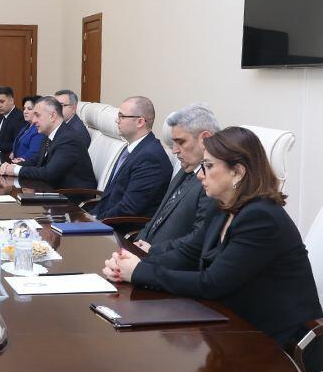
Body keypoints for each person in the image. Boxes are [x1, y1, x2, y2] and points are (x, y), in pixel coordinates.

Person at [103, 127, 322, 347]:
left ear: (237, 172)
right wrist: (132, 264)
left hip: (280, 342)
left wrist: (140, 272)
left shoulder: (261, 218)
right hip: (233, 324)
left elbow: (212, 284)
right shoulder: (222, 207)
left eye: (208, 166)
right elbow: (188, 254)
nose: (200, 175)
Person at [133, 104, 220, 255]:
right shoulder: (185, 169)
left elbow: (197, 239)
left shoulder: (213, 183)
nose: (174, 150)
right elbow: (157, 217)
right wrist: (138, 243)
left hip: (168, 261)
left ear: (205, 139)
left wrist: (152, 251)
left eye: (181, 142)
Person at [90, 96, 172, 219]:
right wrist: (90, 216)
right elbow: (110, 196)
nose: (116, 120)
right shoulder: (131, 148)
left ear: (140, 122)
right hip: (105, 219)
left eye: (121, 116)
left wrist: (95, 221)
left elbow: (128, 208)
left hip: (120, 227)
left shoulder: (151, 158)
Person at [0, 96, 96, 189]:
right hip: (53, 189)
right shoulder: (49, 134)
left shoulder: (68, 139)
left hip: (72, 195)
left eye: (37, 115)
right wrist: (12, 166)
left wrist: (16, 170)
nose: (34, 120)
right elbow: (37, 160)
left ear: (52, 116)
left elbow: (49, 173)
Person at [9, 95, 45, 164]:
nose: (25, 111)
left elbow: (34, 153)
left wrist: (20, 160)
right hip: (17, 163)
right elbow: (18, 143)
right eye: (24, 108)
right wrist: (14, 151)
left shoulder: (38, 129)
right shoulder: (26, 126)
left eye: (29, 109)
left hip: (26, 165)